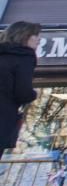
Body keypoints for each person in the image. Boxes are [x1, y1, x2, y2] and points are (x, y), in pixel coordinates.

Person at [0, 21, 41, 160]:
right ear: (25, 36)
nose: (39, 39)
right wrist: (35, 93)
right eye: (36, 35)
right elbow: (22, 92)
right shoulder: (24, 56)